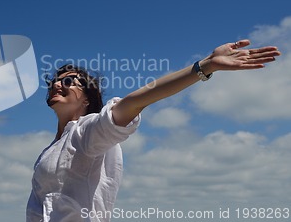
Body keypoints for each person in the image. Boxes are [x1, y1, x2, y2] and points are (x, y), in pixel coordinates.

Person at [26, 40, 281, 222]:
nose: (58, 83)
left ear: (87, 99)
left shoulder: (88, 131)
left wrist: (204, 67)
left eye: (69, 81)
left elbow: (136, 101)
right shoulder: (50, 148)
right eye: (54, 81)